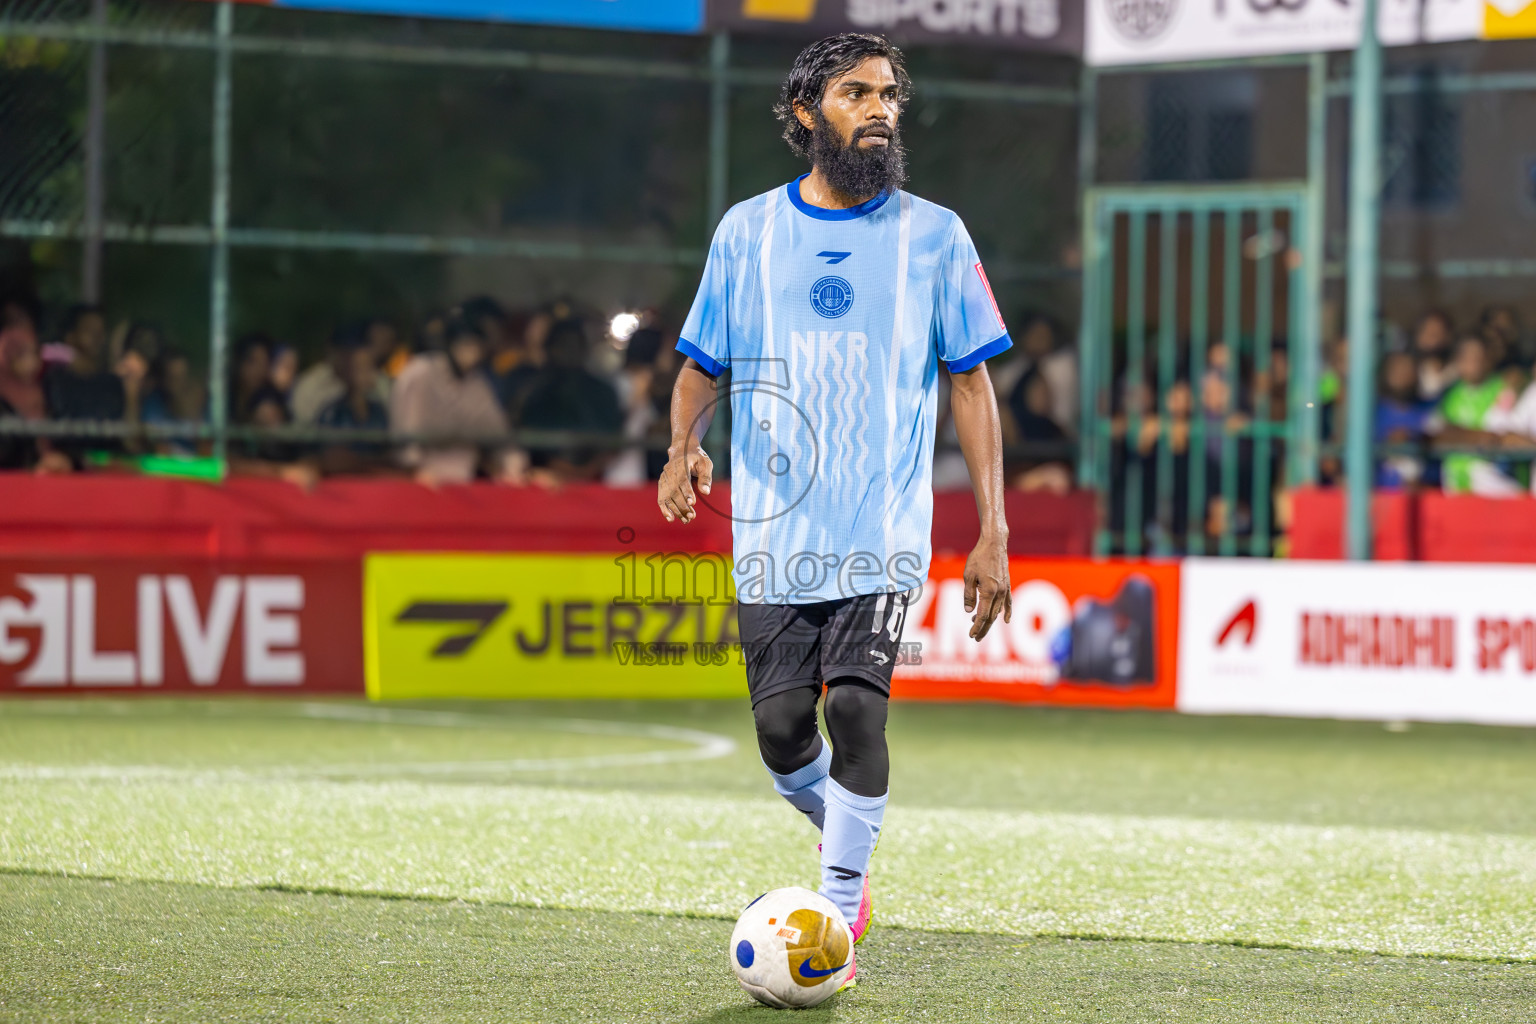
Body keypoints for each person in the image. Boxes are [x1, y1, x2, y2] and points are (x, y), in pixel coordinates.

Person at [657, 34, 1012, 991]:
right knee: (781, 734)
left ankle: (840, 905)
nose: (881, 108)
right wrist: (682, 443)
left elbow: (971, 384)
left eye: (890, 94)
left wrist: (993, 528)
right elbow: (700, 361)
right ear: (808, 113)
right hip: (775, 537)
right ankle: (852, 829)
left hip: (885, 533)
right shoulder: (747, 231)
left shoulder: (936, 234)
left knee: (857, 708)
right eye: (856, 93)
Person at [390, 316, 521, 486]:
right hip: (420, 481)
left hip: (462, 483)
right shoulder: (420, 374)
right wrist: (415, 470)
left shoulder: (477, 384)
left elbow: (499, 435)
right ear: (450, 344)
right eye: (466, 343)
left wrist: (513, 469)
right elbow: (406, 440)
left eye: (477, 345)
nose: (472, 351)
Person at [514, 318, 624, 485]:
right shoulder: (534, 391)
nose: (569, 351)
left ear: (584, 349)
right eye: (562, 345)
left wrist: (587, 470)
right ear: (550, 348)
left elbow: (614, 440)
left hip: (596, 483)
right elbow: (523, 437)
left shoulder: (603, 392)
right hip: (544, 483)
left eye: (575, 345)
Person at [1428, 335, 1522, 496]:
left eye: (1478, 356)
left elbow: (1503, 437)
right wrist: (1473, 436)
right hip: (1455, 485)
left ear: (1489, 359)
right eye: (1466, 357)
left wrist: (1459, 435)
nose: (1472, 363)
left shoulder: (1506, 388)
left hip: (1496, 488)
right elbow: (1436, 433)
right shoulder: (1449, 395)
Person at [44, 303, 125, 464]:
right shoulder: (54, 380)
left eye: (101, 331)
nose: (98, 337)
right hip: (65, 469)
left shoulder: (113, 383)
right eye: (90, 330)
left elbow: (119, 435)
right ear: (71, 336)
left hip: (106, 470)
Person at [0, 301, 70, 473]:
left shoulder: (46, 390)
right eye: (22, 354)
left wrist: (61, 460)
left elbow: (63, 437)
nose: (32, 362)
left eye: (35, 353)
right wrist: (33, 468)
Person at [315, 342, 394, 476]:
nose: (367, 374)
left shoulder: (379, 410)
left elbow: (389, 451)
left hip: (376, 482)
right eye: (360, 368)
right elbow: (330, 458)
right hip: (343, 484)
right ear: (347, 372)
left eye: (370, 367)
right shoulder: (332, 412)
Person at [1375, 350, 1435, 488]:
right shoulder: (1369, 415)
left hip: (1425, 499)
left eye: (1409, 369)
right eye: (1397, 369)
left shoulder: (1431, 409)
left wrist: (1421, 439)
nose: (1404, 375)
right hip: (1379, 499)